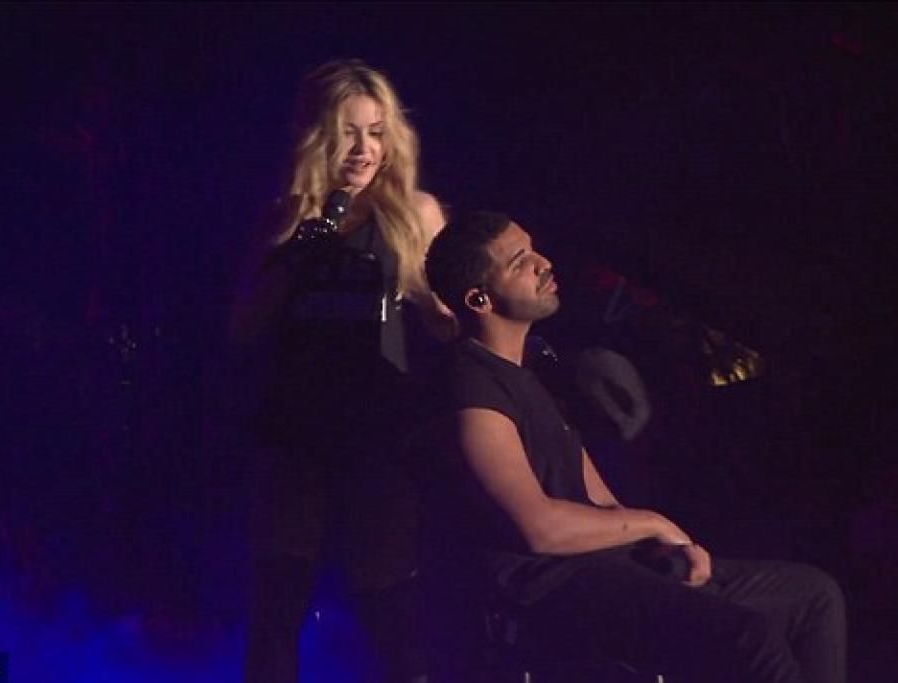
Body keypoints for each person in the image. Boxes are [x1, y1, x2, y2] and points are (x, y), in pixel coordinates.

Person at [420, 211, 847, 683]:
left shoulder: (532, 375)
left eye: (535, 249)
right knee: (748, 636)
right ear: (479, 299)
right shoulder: (470, 385)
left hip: (606, 566)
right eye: (521, 261)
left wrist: (673, 545)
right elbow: (538, 528)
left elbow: (602, 502)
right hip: (552, 588)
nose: (544, 263)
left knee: (812, 597)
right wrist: (654, 523)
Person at [228, 59, 450, 683]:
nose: (363, 149)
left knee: (391, 609)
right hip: (295, 434)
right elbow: (244, 327)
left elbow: (444, 322)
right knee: (277, 610)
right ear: (317, 136)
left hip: (380, 436)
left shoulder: (413, 212)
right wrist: (298, 251)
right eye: (347, 133)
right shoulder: (286, 215)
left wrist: (456, 307)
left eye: (375, 132)